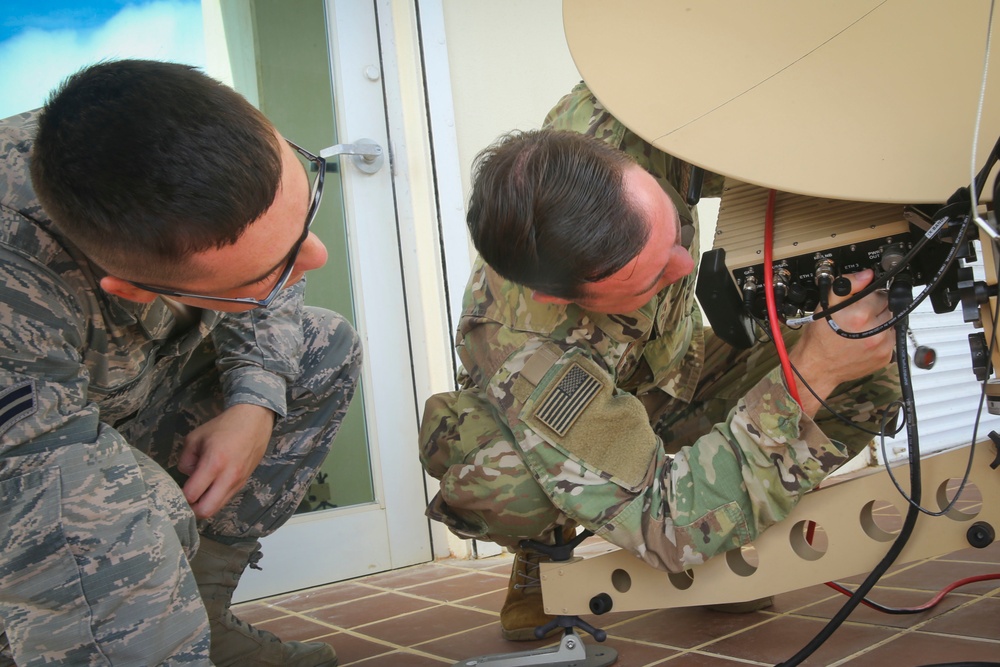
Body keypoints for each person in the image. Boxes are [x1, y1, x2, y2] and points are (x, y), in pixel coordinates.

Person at [419, 82, 900, 641]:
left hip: (674, 364)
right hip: (580, 415)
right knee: (510, 479)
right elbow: (667, 524)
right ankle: (543, 549)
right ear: (562, 296)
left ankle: (730, 525)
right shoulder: (531, 355)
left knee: (870, 380)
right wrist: (813, 371)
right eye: (651, 278)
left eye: (673, 234)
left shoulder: (625, 113)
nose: (681, 268)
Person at [0, 60, 362, 666]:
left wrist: (255, 401)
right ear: (134, 289)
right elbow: (54, 498)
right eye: (269, 270)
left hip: (105, 411)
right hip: (26, 470)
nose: (319, 258)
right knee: (122, 502)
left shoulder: (176, 140)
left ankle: (203, 618)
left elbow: (273, 282)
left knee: (318, 348)